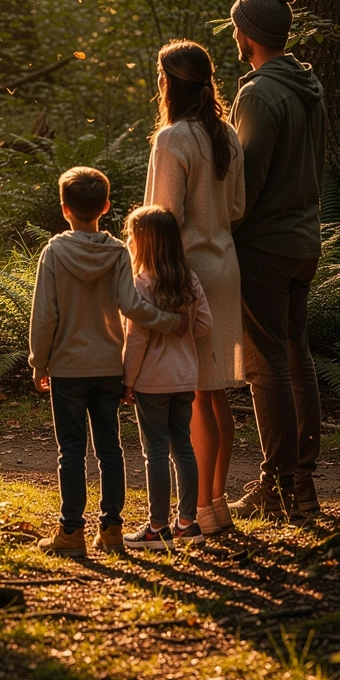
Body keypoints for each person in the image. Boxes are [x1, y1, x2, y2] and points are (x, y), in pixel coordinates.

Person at [29, 166, 188, 557]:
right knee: (110, 449)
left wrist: (38, 362)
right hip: (109, 367)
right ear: (105, 207)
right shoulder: (118, 251)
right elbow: (132, 306)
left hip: (67, 368)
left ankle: (71, 532)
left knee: (71, 450)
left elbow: (45, 315)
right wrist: (169, 321)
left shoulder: (54, 252)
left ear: (64, 208)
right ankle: (112, 529)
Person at [227, 0, 327, 519]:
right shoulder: (308, 86)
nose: (235, 37)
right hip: (303, 239)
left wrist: (222, 229)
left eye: (236, 30)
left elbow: (247, 180)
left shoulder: (259, 94)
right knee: (295, 355)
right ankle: (302, 485)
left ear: (248, 36)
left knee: (266, 363)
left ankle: (278, 485)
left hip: (265, 245)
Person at [144, 40, 245, 535]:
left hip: (188, 273)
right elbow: (239, 206)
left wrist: (147, 273)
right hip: (226, 267)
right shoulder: (227, 134)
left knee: (198, 394)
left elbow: (163, 217)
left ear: (170, 83)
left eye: (160, 78)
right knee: (215, 390)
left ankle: (202, 508)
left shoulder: (172, 139)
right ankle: (216, 504)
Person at [122, 205, 213, 549]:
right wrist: (181, 335)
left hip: (152, 380)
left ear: (143, 243)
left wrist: (128, 380)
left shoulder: (142, 283)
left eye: (132, 236)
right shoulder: (189, 279)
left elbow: (137, 338)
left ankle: (157, 527)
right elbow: (204, 325)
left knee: (156, 452)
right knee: (183, 447)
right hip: (185, 376)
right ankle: (188, 523)